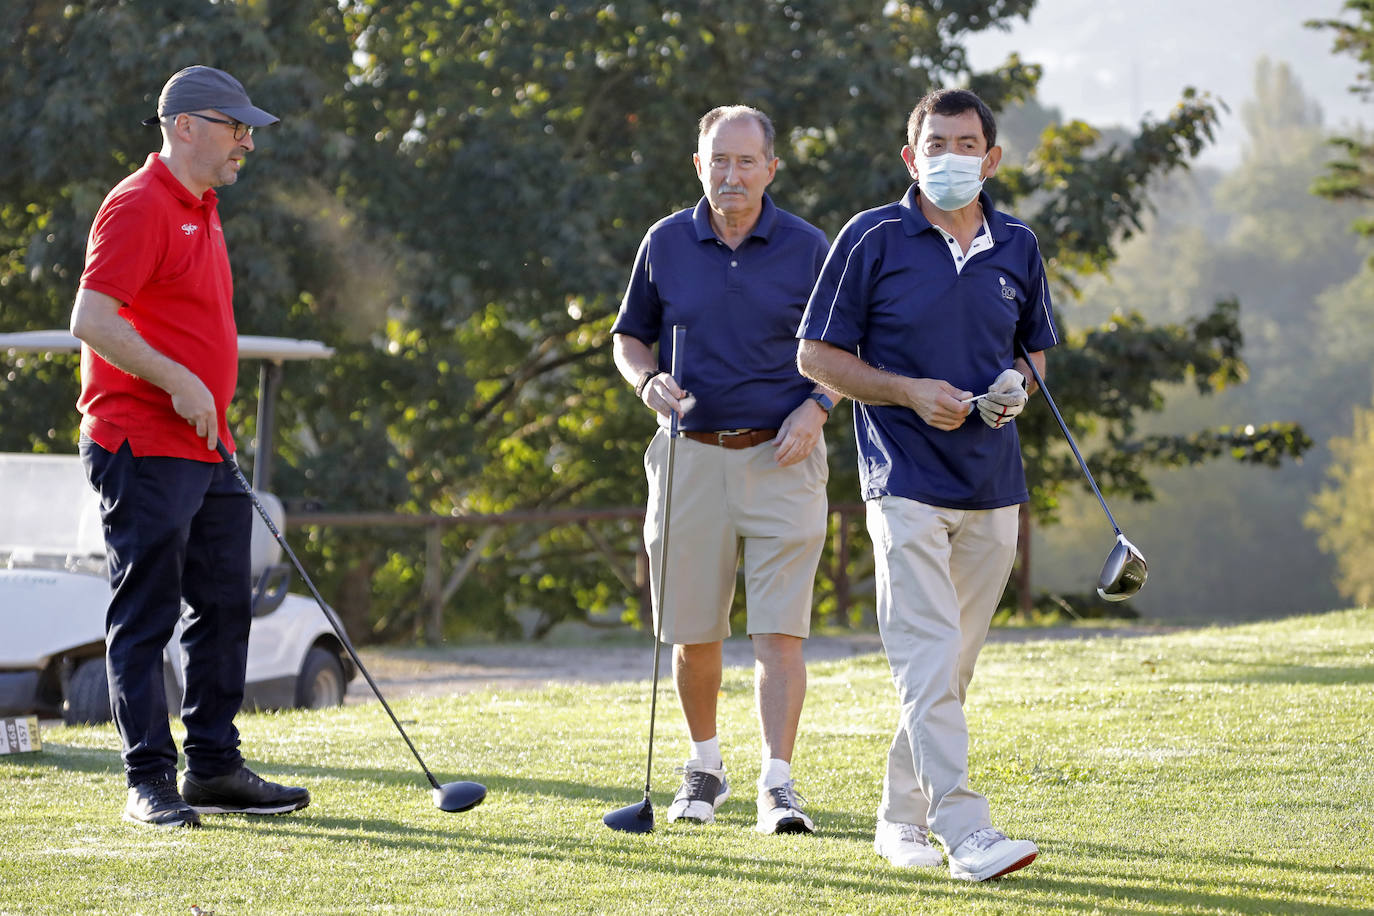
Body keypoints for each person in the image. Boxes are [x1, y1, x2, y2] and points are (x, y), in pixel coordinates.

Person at [796, 88, 1057, 879]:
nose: (951, 156)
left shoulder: (1019, 243)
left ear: (992, 156)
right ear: (912, 158)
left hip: (992, 485)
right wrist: (908, 390)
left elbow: (1035, 353)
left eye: (966, 142)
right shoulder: (871, 237)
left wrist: (1017, 384)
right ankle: (966, 832)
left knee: (950, 669)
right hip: (902, 480)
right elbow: (816, 356)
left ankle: (898, 817)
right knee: (930, 654)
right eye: (935, 144)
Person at [70, 65, 309, 828]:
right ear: (183, 127)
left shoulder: (203, 208)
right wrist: (178, 380)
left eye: (248, 128)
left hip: (205, 444)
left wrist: (203, 393)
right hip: (141, 439)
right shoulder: (139, 205)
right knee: (147, 612)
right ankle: (148, 780)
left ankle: (213, 766)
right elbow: (93, 318)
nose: (247, 140)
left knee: (223, 605)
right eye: (234, 125)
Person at [611, 105, 839, 834]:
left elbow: (853, 346)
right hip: (690, 457)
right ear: (699, 165)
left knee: (779, 633)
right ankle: (705, 767)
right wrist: (648, 384)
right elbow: (630, 340)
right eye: (719, 161)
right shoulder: (665, 242)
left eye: (746, 161)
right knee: (694, 631)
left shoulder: (809, 248)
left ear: (772, 168)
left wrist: (821, 405)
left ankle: (779, 784)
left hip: (785, 454)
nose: (732, 175)